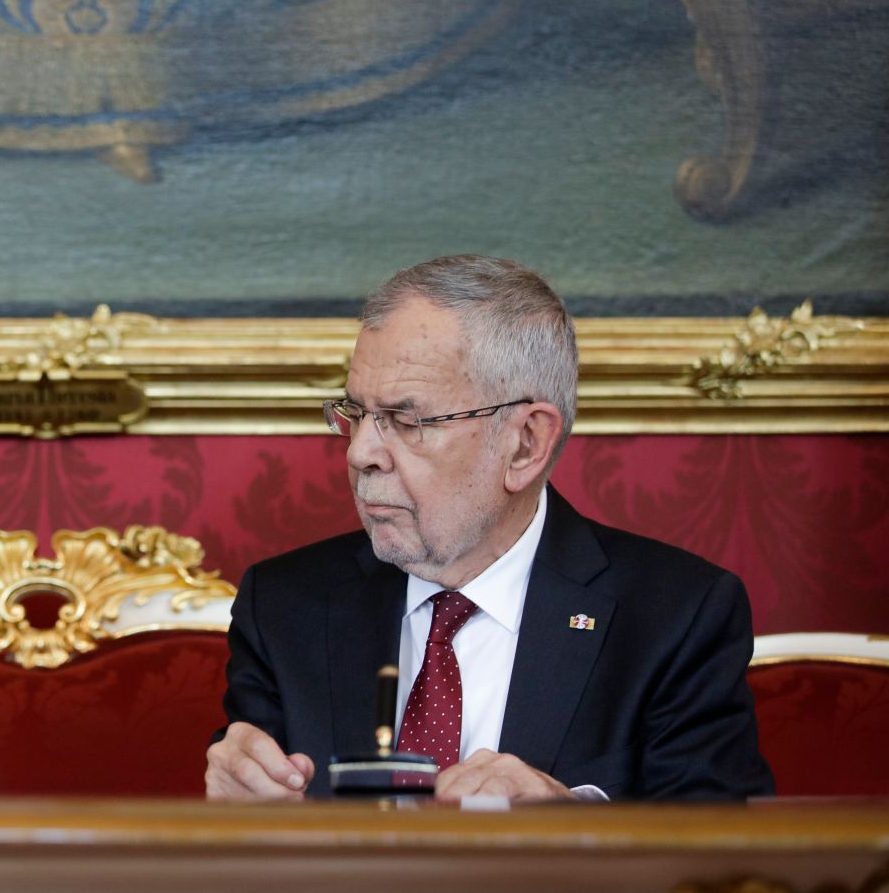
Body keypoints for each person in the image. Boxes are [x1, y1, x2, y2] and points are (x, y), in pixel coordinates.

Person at [207, 254, 773, 802]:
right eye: (356, 413)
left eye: (406, 419)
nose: (361, 453)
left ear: (525, 443)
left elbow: (721, 845)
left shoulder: (675, 617)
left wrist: (569, 822)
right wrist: (239, 802)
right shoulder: (285, 605)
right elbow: (255, 810)